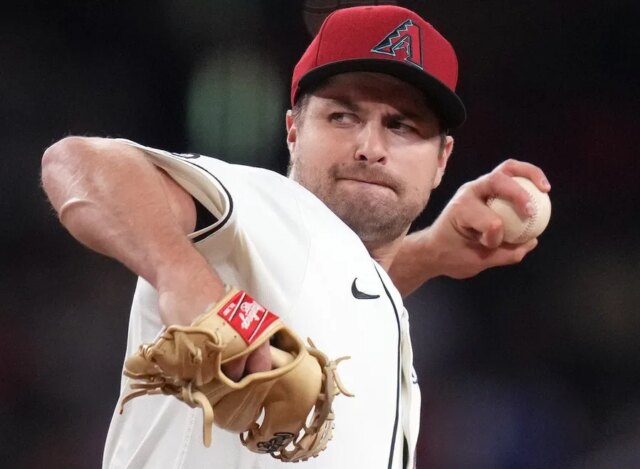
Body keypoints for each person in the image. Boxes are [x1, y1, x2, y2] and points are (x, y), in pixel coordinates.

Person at [41, 5, 549, 469]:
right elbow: (77, 162)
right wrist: (186, 280)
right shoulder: (269, 207)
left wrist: (432, 251)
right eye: (342, 116)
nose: (370, 147)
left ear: (442, 160)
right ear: (293, 131)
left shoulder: (345, 279)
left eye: (403, 126)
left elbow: (336, 292)